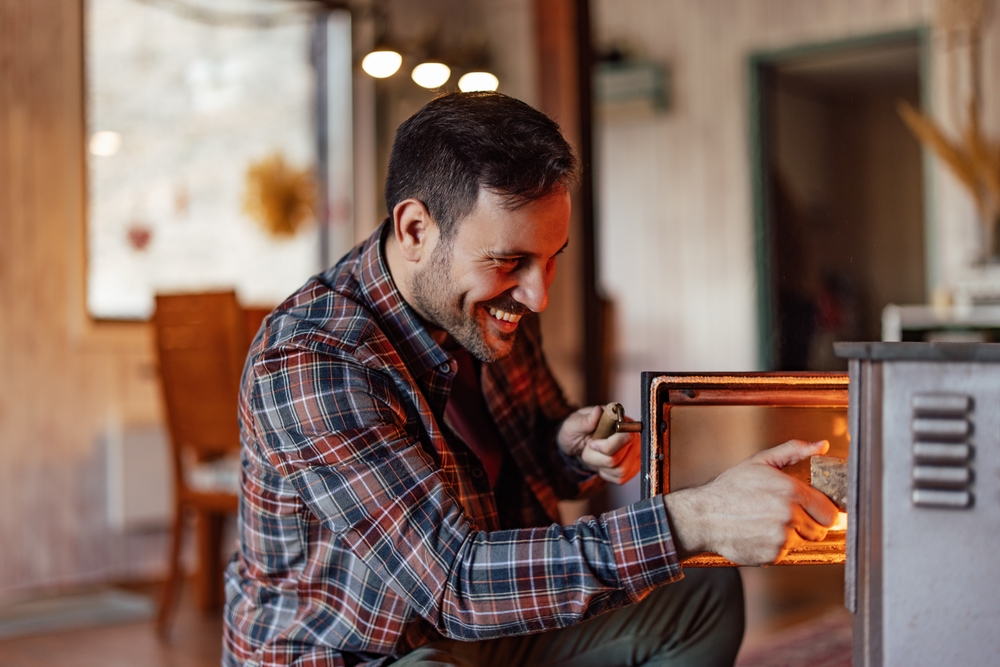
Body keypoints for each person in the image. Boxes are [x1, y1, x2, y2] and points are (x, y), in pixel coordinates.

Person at [223, 92, 839, 667]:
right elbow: (458, 583)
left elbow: (536, 446)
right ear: (415, 230)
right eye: (510, 262)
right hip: (369, 651)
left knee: (702, 592)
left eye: (551, 259)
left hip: (486, 628)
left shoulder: (494, 306)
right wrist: (692, 520)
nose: (538, 296)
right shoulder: (312, 361)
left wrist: (571, 447)